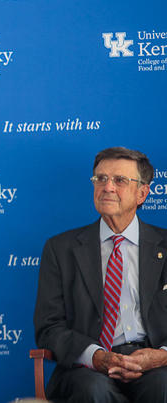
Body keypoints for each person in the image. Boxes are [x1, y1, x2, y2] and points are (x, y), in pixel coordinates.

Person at [34, 147, 167, 402]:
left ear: (142, 193)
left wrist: (161, 356)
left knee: (163, 385)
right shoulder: (61, 249)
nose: (107, 187)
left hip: (155, 363)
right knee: (92, 390)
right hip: (88, 367)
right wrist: (95, 355)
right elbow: (48, 327)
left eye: (119, 180)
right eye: (101, 179)